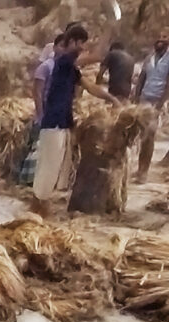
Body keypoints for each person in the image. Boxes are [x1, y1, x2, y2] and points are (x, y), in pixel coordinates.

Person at [32, 22, 113, 202]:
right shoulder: (64, 61)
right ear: (74, 42)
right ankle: (37, 206)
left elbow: (90, 87)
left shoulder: (71, 68)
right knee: (48, 167)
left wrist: (112, 99)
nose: (84, 48)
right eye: (82, 43)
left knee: (56, 168)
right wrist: (109, 26)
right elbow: (98, 55)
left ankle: (42, 205)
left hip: (63, 121)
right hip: (53, 121)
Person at [136, 28, 169, 107]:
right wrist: (136, 98)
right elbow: (141, 79)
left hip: (158, 100)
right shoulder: (149, 57)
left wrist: (161, 103)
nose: (160, 39)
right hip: (144, 99)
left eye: (164, 37)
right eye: (159, 37)